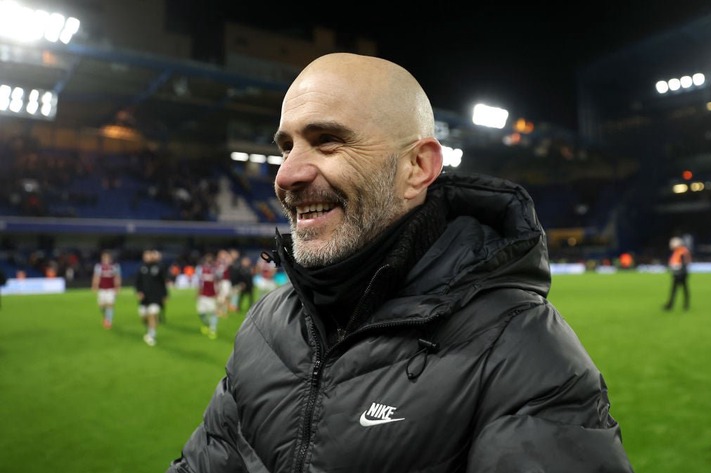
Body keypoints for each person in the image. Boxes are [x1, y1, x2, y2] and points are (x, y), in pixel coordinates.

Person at [166, 53, 634, 472]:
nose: (287, 174)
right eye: (286, 146)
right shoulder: (266, 326)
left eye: (327, 141)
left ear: (417, 168)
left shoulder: (522, 353)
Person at [135, 249, 169, 346]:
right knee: (143, 317)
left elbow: (163, 282)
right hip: (144, 298)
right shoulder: (141, 268)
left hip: (156, 297)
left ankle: (151, 336)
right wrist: (139, 292)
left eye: (149, 255)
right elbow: (137, 282)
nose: (148, 257)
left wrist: (165, 295)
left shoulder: (159, 267)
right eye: (146, 255)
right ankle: (150, 328)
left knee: (152, 314)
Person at [91, 250, 121, 329]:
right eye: (104, 258)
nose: (106, 259)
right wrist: (94, 285)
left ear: (110, 259)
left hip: (111, 289)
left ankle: (108, 321)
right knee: (102, 306)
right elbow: (96, 276)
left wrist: (118, 287)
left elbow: (117, 277)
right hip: (102, 289)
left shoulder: (115, 266)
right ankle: (105, 316)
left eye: (107, 258)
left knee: (110, 304)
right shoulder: (99, 266)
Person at [663, 236, 692, 311]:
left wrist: (677, 268)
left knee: (677, 289)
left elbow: (683, 262)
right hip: (679, 272)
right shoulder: (679, 251)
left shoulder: (682, 251)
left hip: (680, 273)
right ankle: (684, 305)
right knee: (681, 288)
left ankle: (673, 305)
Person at [195, 252, 219, 340]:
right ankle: (207, 324)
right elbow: (199, 282)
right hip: (203, 294)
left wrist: (218, 293)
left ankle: (213, 329)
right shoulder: (200, 269)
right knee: (201, 313)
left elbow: (218, 281)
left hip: (212, 294)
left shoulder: (215, 269)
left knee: (213, 312)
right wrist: (197, 293)